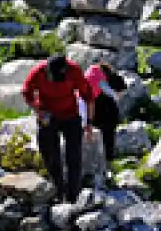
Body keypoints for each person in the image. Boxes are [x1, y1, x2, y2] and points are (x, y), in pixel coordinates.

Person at [21, 55, 95, 203]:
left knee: (74, 156)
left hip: (70, 115)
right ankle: (58, 191)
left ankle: (73, 196)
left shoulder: (74, 71)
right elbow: (26, 93)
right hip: (47, 115)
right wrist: (38, 111)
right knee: (49, 154)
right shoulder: (37, 72)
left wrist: (89, 124)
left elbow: (88, 97)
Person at [85, 62, 127, 164]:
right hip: (109, 113)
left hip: (93, 112)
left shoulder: (88, 76)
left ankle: (96, 162)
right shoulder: (112, 77)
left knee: (95, 139)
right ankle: (108, 161)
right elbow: (122, 89)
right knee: (109, 139)